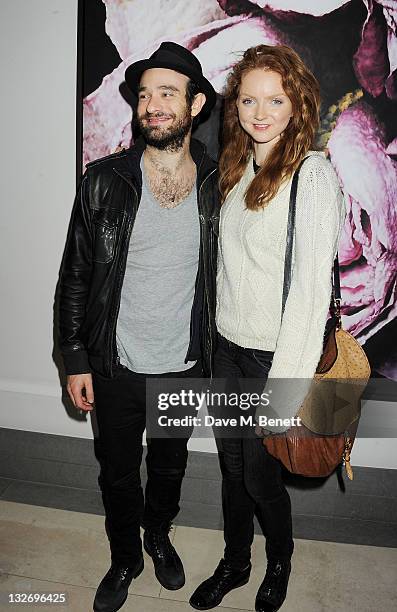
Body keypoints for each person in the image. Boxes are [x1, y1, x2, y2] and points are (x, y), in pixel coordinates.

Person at [58, 41, 219, 612]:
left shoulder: (221, 186)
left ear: (195, 104)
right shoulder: (103, 181)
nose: (152, 105)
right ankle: (124, 555)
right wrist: (75, 359)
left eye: (167, 93)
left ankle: (158, 535)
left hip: (184, 363)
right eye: (145, 95)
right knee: (119, 472)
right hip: (116, 363)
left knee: (170, 466)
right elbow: (75, 277)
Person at [189, 45, 345, 612]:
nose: (260, 112)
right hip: (227, 349)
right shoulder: (237, 166)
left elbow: (308, 295)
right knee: (233, 470)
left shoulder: (313, 176)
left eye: (274, 100)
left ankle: (279, 560)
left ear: (296, 102)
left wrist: (284, 393)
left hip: (271, 359)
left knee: (261, 478)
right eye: (249, 99)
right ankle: (235, 562)